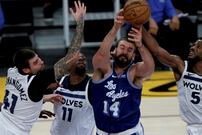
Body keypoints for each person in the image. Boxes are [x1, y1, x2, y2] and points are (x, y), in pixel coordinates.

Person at [0, 0, 87, 134]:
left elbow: (22, 97)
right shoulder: (36, 83)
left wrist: (41, 101)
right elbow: (71, 57)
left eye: (38, 57)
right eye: (35, 62)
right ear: (26, 70)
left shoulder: (12, 71)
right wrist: (80, 24)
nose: (41, 62)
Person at [142, 27, 202, 135]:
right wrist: (140, 27)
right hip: (193, 129)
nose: (192, 48)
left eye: (198, 47)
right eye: (193, 45)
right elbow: (156, 50)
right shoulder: (180, 66)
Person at [89, 9, 155, 134]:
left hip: (129, 132)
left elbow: (149, 68)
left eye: (130, 50)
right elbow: (100, 56)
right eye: (122, 47)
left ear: (134, 56)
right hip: (102, 131)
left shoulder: (134, 72)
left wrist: (140, 45)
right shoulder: (104, 70)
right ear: (113, 51)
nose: (125, 51)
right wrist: (115, 28)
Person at [49, 2, 95, 135]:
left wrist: (80, 24)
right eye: (77, 59)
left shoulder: (91, 85)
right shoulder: (59, 81)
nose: (81, 60)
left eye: (84, 59)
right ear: (68, 64)